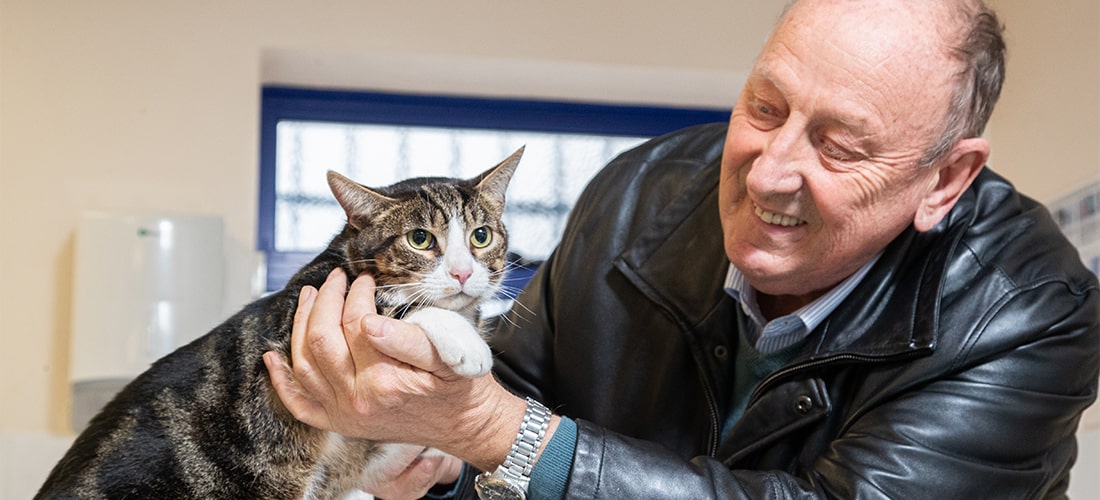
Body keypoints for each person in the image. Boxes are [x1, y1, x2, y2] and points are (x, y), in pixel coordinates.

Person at [263, 0, 1100, 498]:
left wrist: (491, 432)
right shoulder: (635, 197)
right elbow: (494, 411)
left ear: (945, 180)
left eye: (840, 147)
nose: (769, 173)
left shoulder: (1031, 312)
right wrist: (437, 465)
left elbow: (499, 420)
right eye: (765, 109)